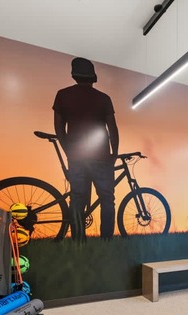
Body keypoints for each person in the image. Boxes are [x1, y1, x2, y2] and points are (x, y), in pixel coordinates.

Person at [52, 57, 119, 241]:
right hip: (102, 156)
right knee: (107, 199)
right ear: (92, 77)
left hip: (77, 155)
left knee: (77, 198)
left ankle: (78, 242)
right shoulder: (104, 98)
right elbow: (112, 128)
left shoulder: (62, 95)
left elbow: (58, 128)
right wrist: (114, 153)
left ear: (74, 75)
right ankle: (106, 242)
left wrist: (68, 150)